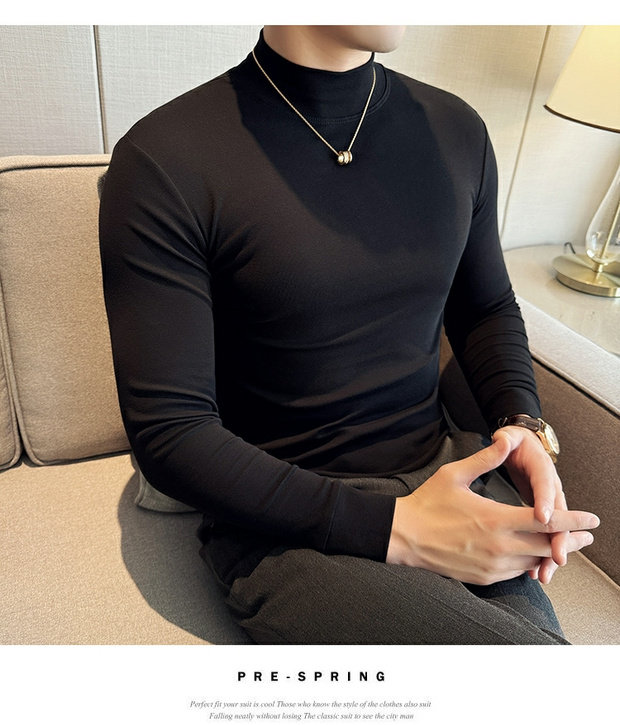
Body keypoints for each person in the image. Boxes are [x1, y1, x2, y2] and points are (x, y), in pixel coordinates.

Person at [99, 25, 599, 644]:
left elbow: (485, 306)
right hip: (285, 517)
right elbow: (171, 433)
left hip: (446, 475)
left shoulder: (456, 130)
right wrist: (399, 529)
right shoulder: (166, 157)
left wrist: (522, 425)